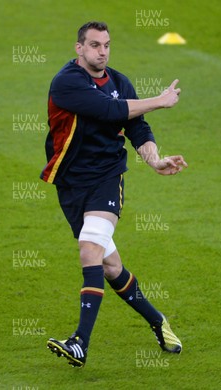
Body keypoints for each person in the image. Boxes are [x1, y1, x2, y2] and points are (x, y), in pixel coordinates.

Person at [40, 21, 187, 367]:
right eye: (94, 45)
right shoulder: (67, 83)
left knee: (89, 246)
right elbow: (110, 111)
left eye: (106, 45)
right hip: (71, 183)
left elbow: (136, 127)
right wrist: (161, 101)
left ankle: (79, 343)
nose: (102, 51)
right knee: (109, 265)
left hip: (107, 177)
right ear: (79, 48)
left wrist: (155, 160)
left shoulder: (119, 82)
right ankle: (157, 320)